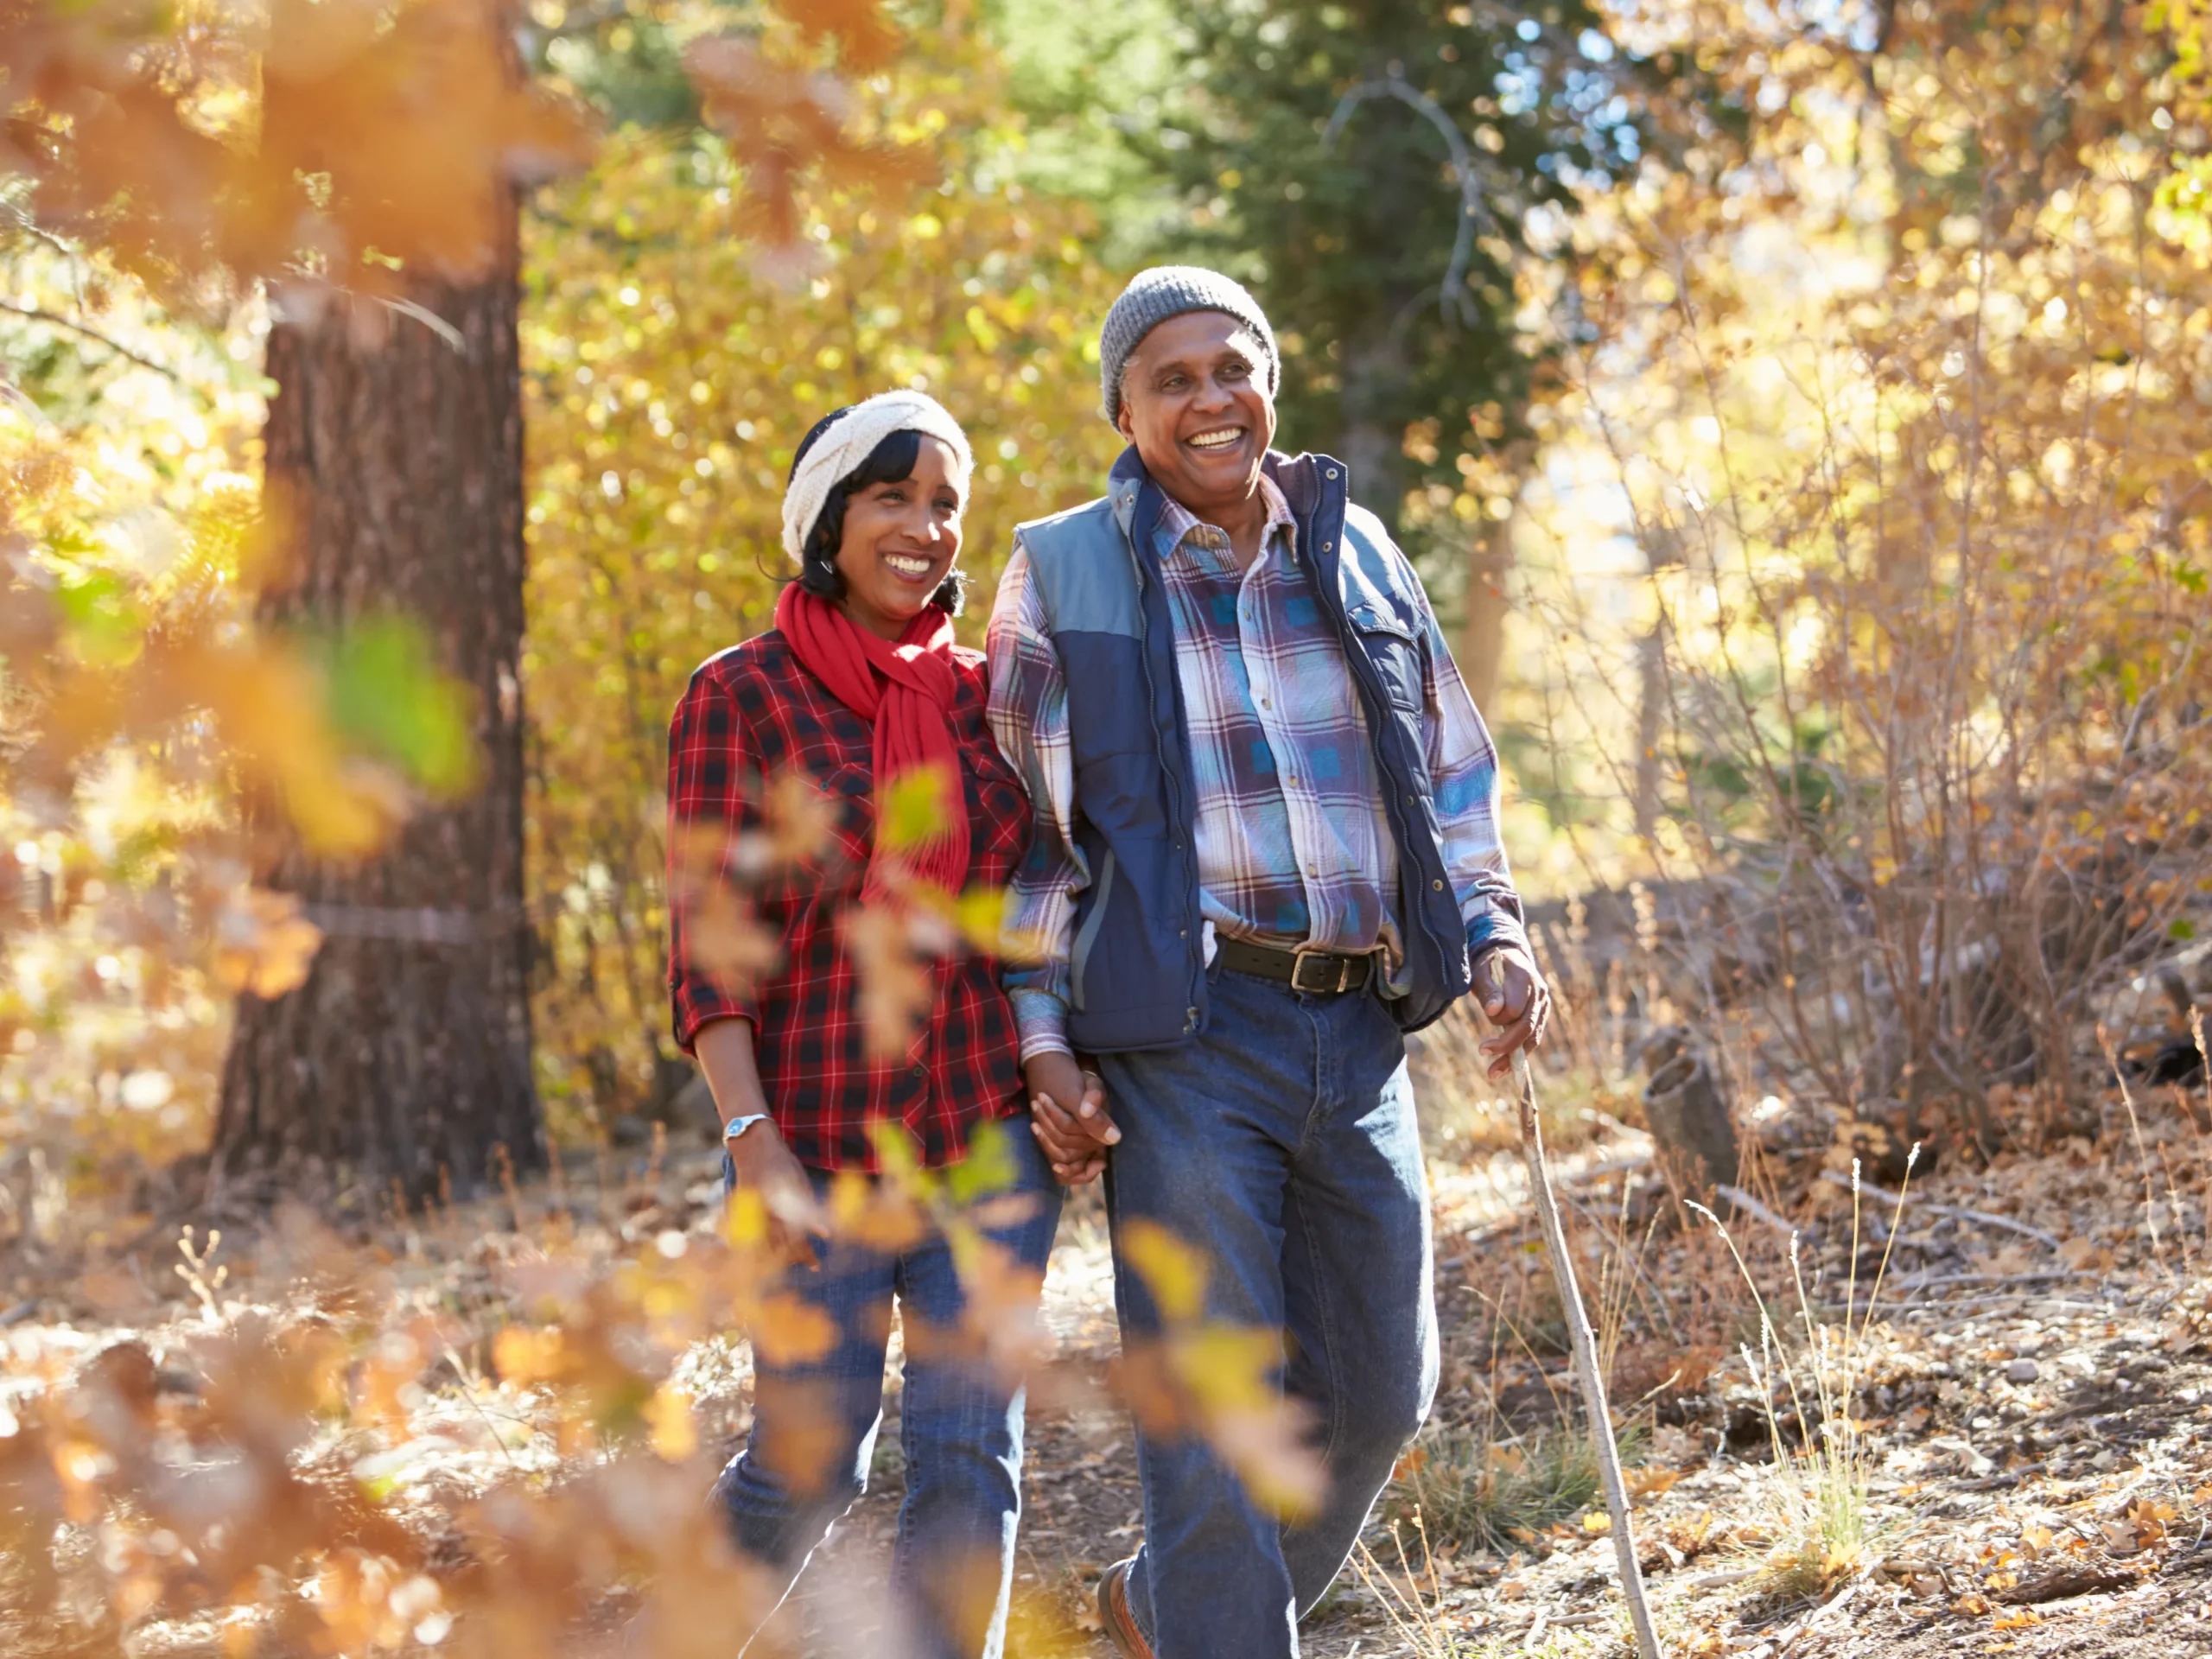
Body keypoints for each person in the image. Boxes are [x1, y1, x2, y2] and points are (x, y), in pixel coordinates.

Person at [986, 269, 1550, 1659]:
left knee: (1379, 1396)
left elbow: (1450, 777)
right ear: (1121, 406)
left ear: (1270, 381)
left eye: (1230, 367)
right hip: (1181, 1034)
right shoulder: (1061, 570)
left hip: (1355, 1026)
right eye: (1169, 379)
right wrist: (1043, 1037)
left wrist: (1495, 930)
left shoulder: (1358, 555)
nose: (1209, 400)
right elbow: (1027, 842)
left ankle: (1163, 1612)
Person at [666, 391, 1061, 1659]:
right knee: (806, 1465)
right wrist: (753, 1142)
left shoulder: (988, 697)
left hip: (982, 1136)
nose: (927, 528)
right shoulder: (739, 695)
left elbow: (1039, 902)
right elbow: (712, 948)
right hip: (817, 1142)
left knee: (969, 1462)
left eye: (946, 504)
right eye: (894, 497)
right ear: (828, 519)